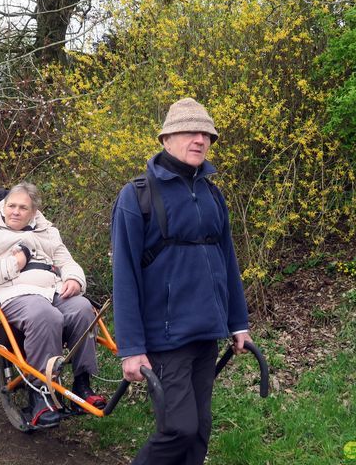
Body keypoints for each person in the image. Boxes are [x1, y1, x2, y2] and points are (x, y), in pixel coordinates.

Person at [110, 97, 252, 465]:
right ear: (166, 139)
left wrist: (238, 323)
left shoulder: (212, 194)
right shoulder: (137, 195)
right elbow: (124, 275)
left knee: (200, 430)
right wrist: (130, 347)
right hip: (165, 336)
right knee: (178, 428)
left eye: (206, 134)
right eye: (190, 132)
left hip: (206, 332)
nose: (200, 140)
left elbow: (227, 261)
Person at [0, 182, 106, 428]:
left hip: (51, 289)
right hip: (10, 294)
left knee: (83, 309)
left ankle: (83, 385)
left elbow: (67, 262)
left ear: (33, 212)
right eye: (11, 205)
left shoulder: (46, 231)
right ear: (3, 206)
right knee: (46, 315)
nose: (15, 211)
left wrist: (75, 279)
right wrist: (17, 262)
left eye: (23, 208)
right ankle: (39, 396)